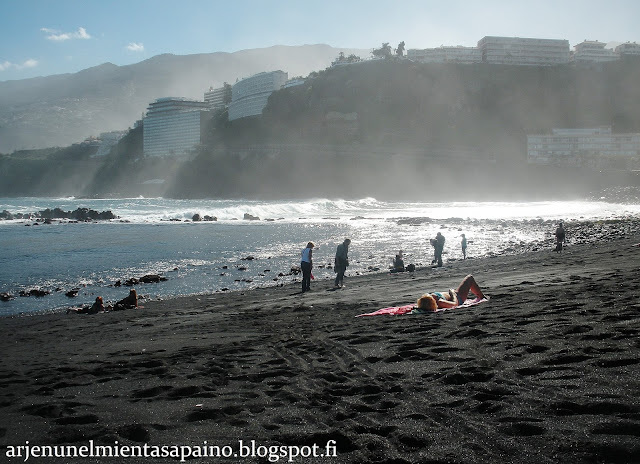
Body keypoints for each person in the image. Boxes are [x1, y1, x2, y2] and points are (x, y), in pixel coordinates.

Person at [415, 275, 486, 312]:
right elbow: (455, 304)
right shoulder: (440, 302)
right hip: (458, 297)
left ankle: (481, 296)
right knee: (470, 278)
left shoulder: (425, 302)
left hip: (454, 295)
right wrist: (452, 293)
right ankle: (481, 296)